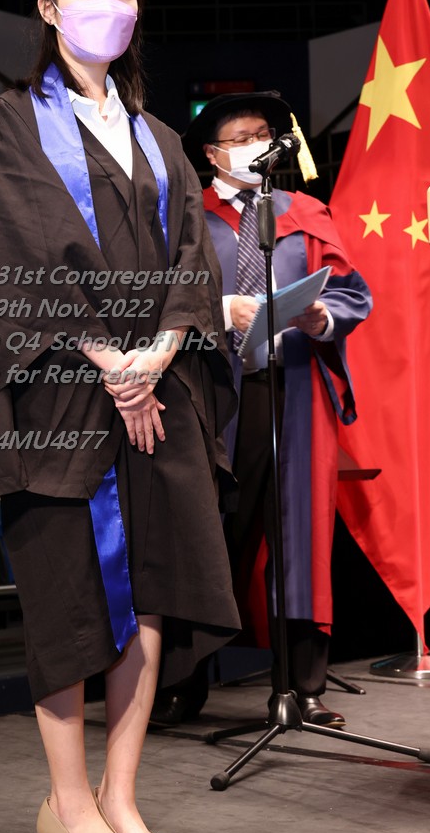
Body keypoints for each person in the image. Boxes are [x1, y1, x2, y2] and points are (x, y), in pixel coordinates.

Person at [0, 0, 241, 833]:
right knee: (67, 601)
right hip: (54, 393)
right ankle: (67, 804)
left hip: (157, 390)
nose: (111, 5)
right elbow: (14, 248)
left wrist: (158, 354)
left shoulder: (161, 140)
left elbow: (192, 258)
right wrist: (108, 360)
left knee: (152, 590)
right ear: (50, 10)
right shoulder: (11, 126)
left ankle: (120, 799)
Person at [150, 92, 372, 729]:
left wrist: (323, 316)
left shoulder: (303, 211)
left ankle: (304, 685)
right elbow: (157, 295)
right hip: (217, 394)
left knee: (301, 534)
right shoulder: (185, 214)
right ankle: (184, 682)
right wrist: (221, 310)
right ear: (212, 153)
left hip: (294, 387)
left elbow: (350, 291)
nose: (256, 146)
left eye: (264, 135)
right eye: (241, 138)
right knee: (212, 532)